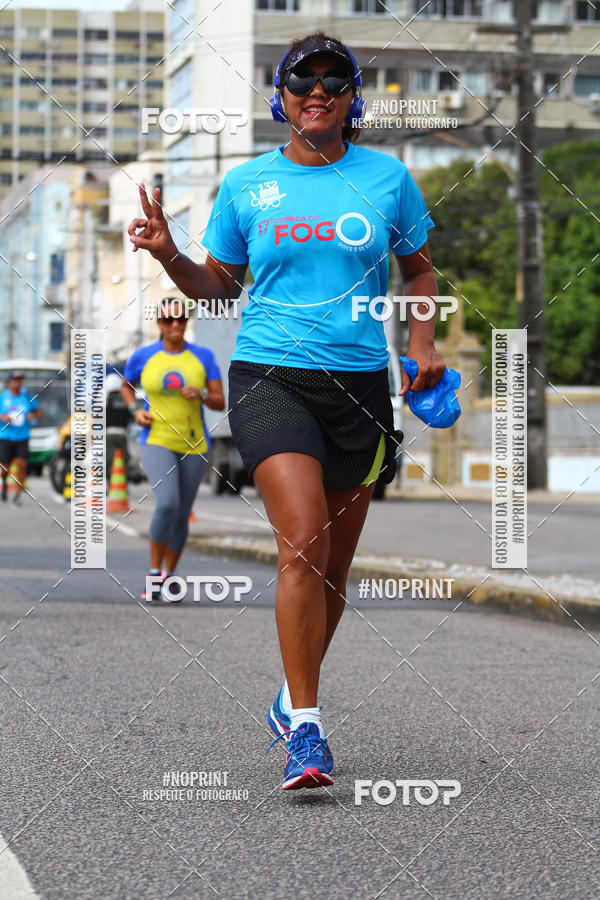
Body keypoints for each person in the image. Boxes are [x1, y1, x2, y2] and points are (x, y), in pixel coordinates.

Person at [128, 33, 446, 790]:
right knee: (302, 542)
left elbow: (422, 268)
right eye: (306, 79)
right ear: (282, 96)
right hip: (270, 374)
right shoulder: (247, 186)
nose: (320, 92)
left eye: (337, 82)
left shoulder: (388, 178)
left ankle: (289, 695)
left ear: (352, 99)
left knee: (333, 568)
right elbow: (219, 290)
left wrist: (424, 341)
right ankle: (308, 728)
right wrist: (172, 254)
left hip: (362, 386)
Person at [120, 298, 225, 603]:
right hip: (156, 438)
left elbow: (220, 401)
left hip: (195, 442)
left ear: (187, 321)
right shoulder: (144, 356)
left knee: (181, 512)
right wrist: (134, 410)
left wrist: (203, 394)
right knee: (167, 503)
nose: (176, 325)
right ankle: (154, 574)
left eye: (180, 319)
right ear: (160, 324)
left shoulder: (203, 357)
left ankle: (170, 574)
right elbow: (127, 386)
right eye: (169, 320)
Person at [0, 370, 42, 505]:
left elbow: (39, 413)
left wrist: (33, 416)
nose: (18, 383)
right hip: (5, 436)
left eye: (20, 380)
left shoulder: (27, 397)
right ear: (9, 382)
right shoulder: (3, 397)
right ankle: (5, 484)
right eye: (15, 380)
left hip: (22, 437)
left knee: (22, 465)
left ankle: (17, 494)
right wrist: (3, 417)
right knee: (5, 466)